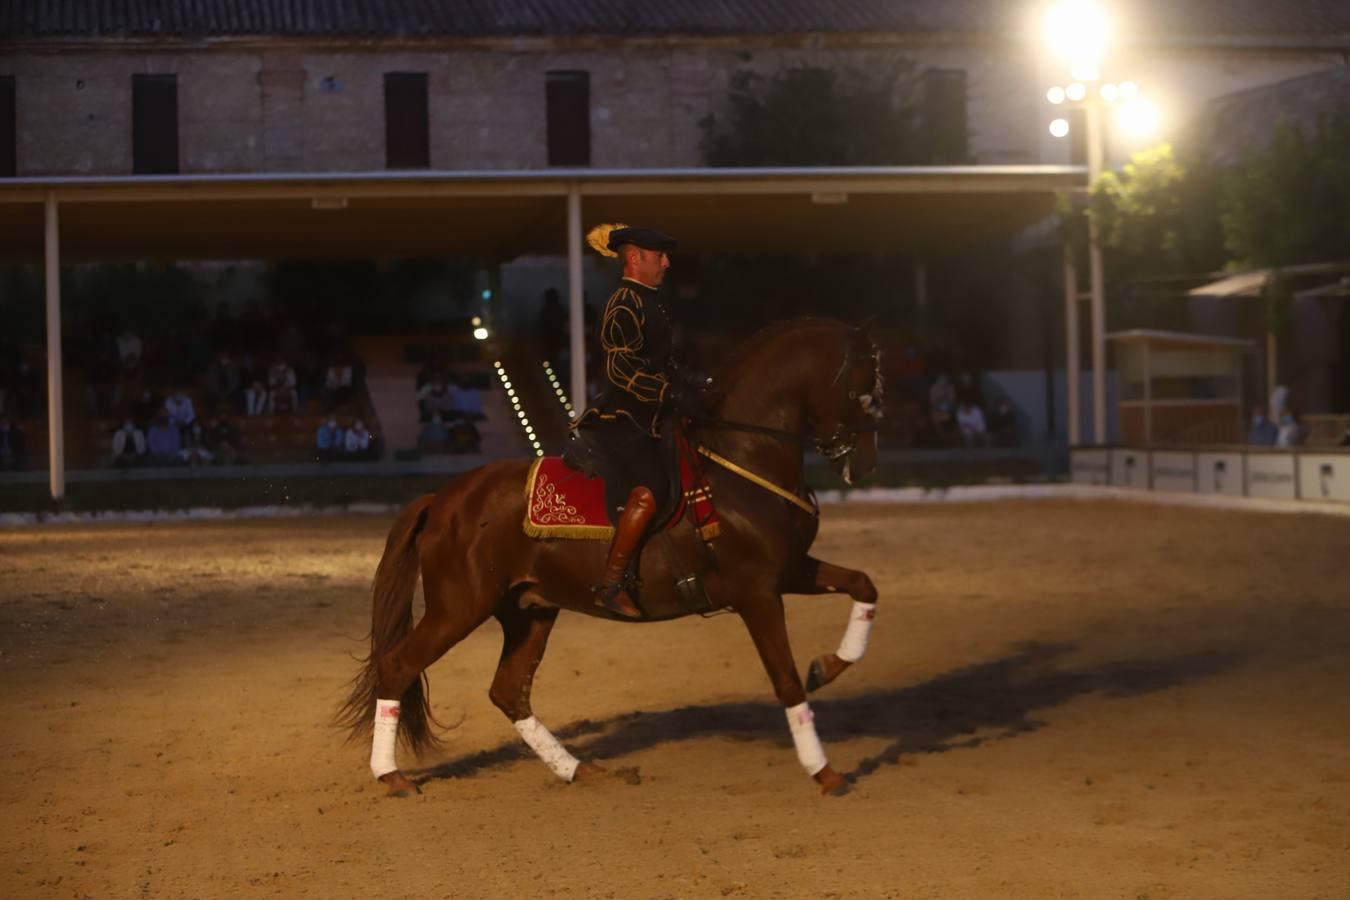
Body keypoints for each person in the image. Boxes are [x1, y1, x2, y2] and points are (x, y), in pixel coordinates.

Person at [574, 223, 712, 619]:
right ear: (635, 258)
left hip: (651, 416)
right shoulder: (623, 303)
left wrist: (696, 385)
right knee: (650, 491)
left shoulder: (652, 302)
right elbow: (621, 370)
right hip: (623, 421)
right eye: (659, 256)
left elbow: (663, 364)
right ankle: (611, 584)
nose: (667, 263)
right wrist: (668, 393)